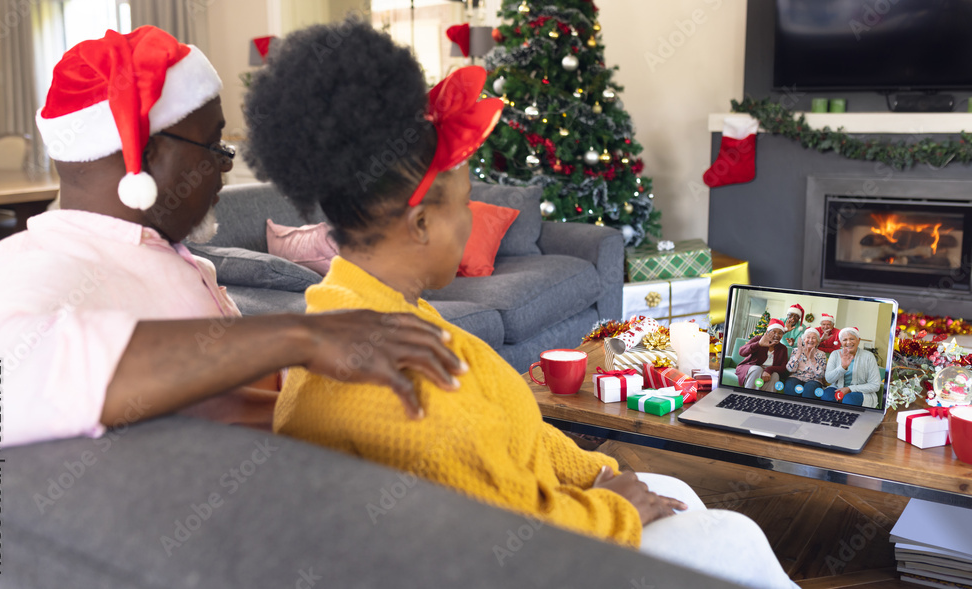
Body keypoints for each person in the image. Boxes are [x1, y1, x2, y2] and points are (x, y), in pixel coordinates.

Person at [248, 21, 797, 589]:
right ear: (420, 224)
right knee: (735, 538)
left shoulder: (378, 310)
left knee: (679, 494)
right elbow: (500, 540)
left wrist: (603, 473)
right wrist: (616, 509)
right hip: (526, 558)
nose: (471, 221)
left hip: (545, 514)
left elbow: (519, 435)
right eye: (466, 204)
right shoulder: (395, 382)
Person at [0, 26, 466, 451]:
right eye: (213, 146)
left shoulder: (152, 250)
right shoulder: (37, 259)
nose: (224, 166)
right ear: (143, 155)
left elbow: (216, 395)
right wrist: (302, 337)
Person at [820, 327, 883, 407]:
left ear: (858, 340)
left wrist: (850, 389)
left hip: (861, 392)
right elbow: (829, 379)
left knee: (849, 399)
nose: (848, 342)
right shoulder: (835, 354)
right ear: (840, 342)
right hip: (836, 388)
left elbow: (875, 385)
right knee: (827, 397)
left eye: (852, 339)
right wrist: (842, 367)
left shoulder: (869, 356)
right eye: (845, 340)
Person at [736, 319, 789, 391]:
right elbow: (741, 352)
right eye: (774, 332)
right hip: (752, 368)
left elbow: (783, 368)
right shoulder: (759, 339)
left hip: (769, 371)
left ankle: (765, 399)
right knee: (757, 369)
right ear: (768, 332)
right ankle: (748, 396)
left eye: (780, 333)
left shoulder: (783, 348)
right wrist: (759, 344)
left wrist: (768, 370)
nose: (777, 335)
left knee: (775, 375)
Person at [784, 327, 827, 398]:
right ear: (804, 340)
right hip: (796, 377)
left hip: (814, 380)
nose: (810, 340)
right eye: (808, 337)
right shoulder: (796, 350)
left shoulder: (821, 354)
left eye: (814, 338)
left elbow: (821, 375)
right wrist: (798, 354)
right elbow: (790, 369)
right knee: (791, 387)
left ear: (817, 341)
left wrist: (813, 360)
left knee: (809, 390)